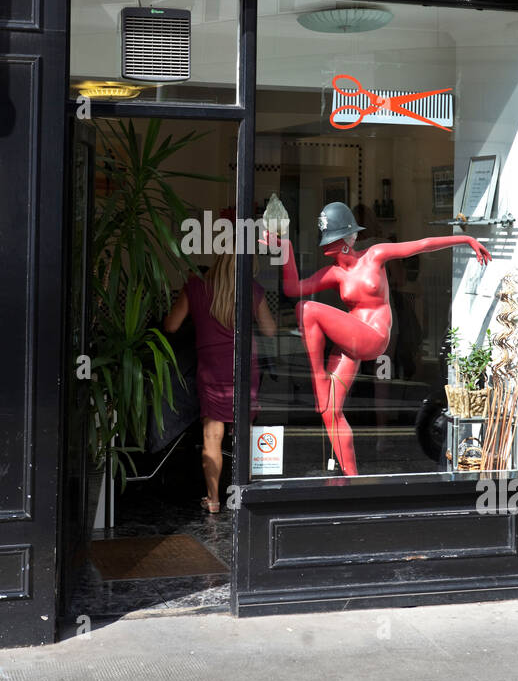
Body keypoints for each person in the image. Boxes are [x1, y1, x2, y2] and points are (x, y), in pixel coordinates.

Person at [271, 202, 491, 477]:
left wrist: (466, 239)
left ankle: (318, 377)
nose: (326, 248)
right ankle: (352, 478)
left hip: (374, 337)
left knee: (308, 310)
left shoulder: (374, 255)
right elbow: (293, 288)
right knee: (331, 412)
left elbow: (421, 245)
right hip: (351, 341)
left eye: (332, 241)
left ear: (346, 242)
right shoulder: (335, 273)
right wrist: (286, 250)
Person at [164, 249, 276, 514]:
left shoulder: (195, 286)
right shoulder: (252, 289)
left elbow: (170, 326)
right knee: (244, 436)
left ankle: (213, 500)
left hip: (211, 369)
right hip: (244, 367)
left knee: (211, 435)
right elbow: (270, 330)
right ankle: (244, 498)